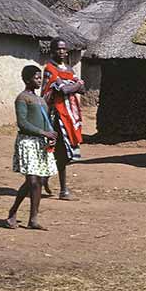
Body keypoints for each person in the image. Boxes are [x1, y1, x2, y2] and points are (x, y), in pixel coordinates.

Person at [7, 65, 57, 230]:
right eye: (36, 78)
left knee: (39, 181)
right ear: (27, 79)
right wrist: (43, 132)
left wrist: (50, 135)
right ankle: (13, 211)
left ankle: (33, 219)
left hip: (41, 143)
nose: (39, 80)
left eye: (39, 78)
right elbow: (22, 122)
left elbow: (44, 120)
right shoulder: (22, 98)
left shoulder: (41, 100)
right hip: (28, 142)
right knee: (32, 180)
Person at [42, 39, 84, 199]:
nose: (62, 52)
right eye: (59, 49)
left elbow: (83, 89)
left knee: (66, 152)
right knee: (61, 152)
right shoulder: (49, 69)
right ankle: (63, 190)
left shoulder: (69, 69)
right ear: (52, 51)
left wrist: (74, 85)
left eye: (64, 49)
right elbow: (64, 89)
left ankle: (46, 177)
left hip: (71, 115)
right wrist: (76, 84)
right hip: (57, 115)